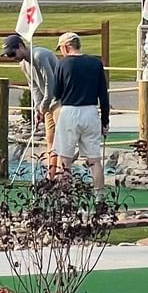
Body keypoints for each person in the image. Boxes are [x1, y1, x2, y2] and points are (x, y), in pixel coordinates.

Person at [49, 30, 110, 192]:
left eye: (61, 48)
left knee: (65, 159)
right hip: (90, 112)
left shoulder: (62, 64)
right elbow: (103, 95)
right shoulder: (96, 63)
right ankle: (99, 199)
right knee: (94, 161)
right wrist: (105, 121)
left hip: (69, 112)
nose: (61, 52)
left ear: (67, 47)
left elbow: (57, 93)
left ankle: (65, 198)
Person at [1, 32, 59, 156]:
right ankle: (52, 174)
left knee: (61, 142)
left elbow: (50, 82)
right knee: (51, 140)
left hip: (61, 102)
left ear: (21, 46)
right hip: (49, 104)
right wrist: (37, 108)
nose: (12, 57)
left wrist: (43, 105)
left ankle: (63, 172)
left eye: (12, 53)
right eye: (8, 55)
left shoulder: (39, 56)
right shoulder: (23, 63)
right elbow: (34, 87)